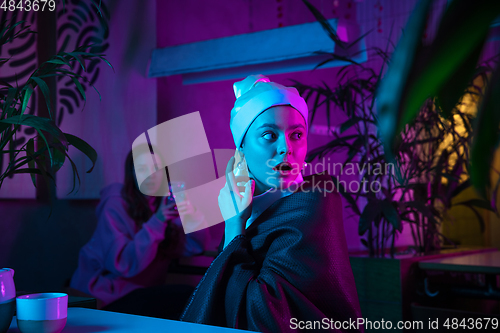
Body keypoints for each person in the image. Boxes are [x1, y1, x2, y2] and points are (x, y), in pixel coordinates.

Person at [180, 75, 364, 332]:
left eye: (297, 134)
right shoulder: (243, 204)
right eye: (269, 135)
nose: (286, 148)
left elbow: (262, 315)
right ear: (240, 149)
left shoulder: (315, 200)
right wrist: (236, 218)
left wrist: (234, 226)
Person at [70, 144, 211, 319]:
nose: (151, 175)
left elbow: (194, 247)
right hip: (104, 296)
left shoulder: (162, 206)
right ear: (132, 174)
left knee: (196, 297)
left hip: (141, 292)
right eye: (142, 169)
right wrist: (157, 222)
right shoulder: (115, 205)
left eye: (156, 168)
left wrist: (190, 214)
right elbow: (123, 265)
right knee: (187, 296)